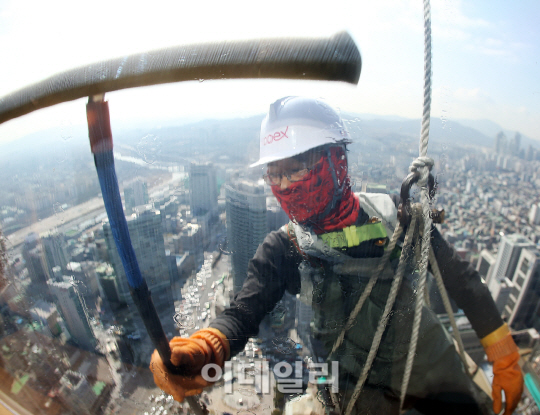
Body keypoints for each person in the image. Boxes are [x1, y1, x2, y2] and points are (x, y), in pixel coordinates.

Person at [150, 96, 523, 414]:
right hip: (353, 385)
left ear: (336, 164)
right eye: (273, 175)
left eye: (294, 170)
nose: (282, 187)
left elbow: (459, 277)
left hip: (428, 361)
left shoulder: (397, 215)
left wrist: (503, 352)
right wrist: (206, 346)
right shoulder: (284, 248)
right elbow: (244, 312)